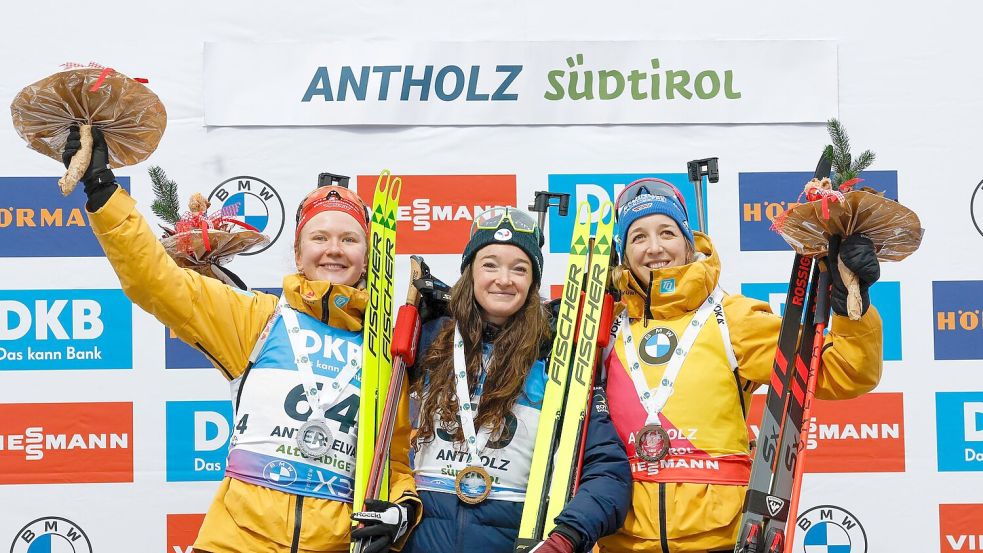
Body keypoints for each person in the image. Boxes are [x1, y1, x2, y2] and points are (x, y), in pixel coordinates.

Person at [64, 126, 419, 553]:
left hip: (333, 544)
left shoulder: (382, 351)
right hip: (235, 542)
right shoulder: (257, 318)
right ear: (299, 251)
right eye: (319, 237)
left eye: (349, 239)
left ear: (367, 257)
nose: (334, 250)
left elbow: (395, 462)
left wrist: (400, 512)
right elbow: (155, 281)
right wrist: (103, 190)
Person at [597, 178, 884, 553]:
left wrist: (852, 306)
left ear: (689, 242)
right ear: (622, 251)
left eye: (667, 232)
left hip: (722, 537)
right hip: (621, 539)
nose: (654, 248)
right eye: (638, 237)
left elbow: (846, 370)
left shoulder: (731, 317)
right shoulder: (603, 330)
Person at [403, 207, 632, 553]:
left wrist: (566, 538)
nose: (504, 278)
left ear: (533, 283)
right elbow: (381, 445)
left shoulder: (557, 358)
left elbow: (607, 471)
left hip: (517, 540)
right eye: (490, 264)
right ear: (469, 273)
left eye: (520, 269)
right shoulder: (429, 344)